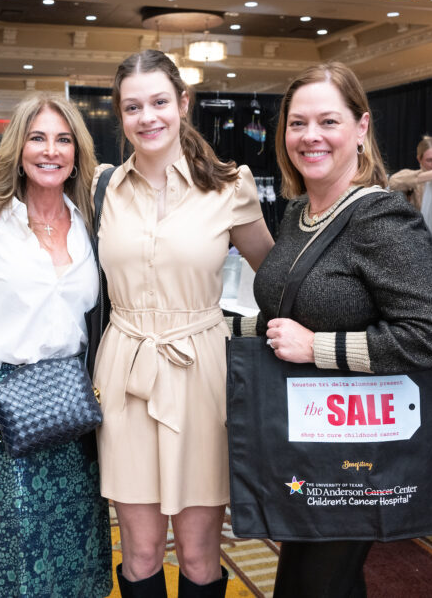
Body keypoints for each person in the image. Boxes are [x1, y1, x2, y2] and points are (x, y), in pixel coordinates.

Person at [253, 62, 432, 597]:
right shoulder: (298, 212)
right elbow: (296, 311)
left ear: (361, 128)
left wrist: (316, 347)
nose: (310, 136)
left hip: (358, 451)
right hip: (307, 443)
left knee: (310, 588)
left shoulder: (380, 218)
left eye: (328, 121)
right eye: (298, 123)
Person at [94, 49, 274, 597]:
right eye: (132, 107)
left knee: (198, 555)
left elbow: (279, 279)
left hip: (202, 373)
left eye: (159, 102)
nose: (147, 117)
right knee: (141, 552)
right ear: (120, 114)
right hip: (125, 372)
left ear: (183, 103)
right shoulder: (100, 188)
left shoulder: (230, 186)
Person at [0, 92, 112, 596]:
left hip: (75, 402)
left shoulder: (91, 224)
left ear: (77, 152)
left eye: (63, 139)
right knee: (22, 549)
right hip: (9, 405)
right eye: (38, 138)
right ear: (18, 149)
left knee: (84, 544)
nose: (51, 150)